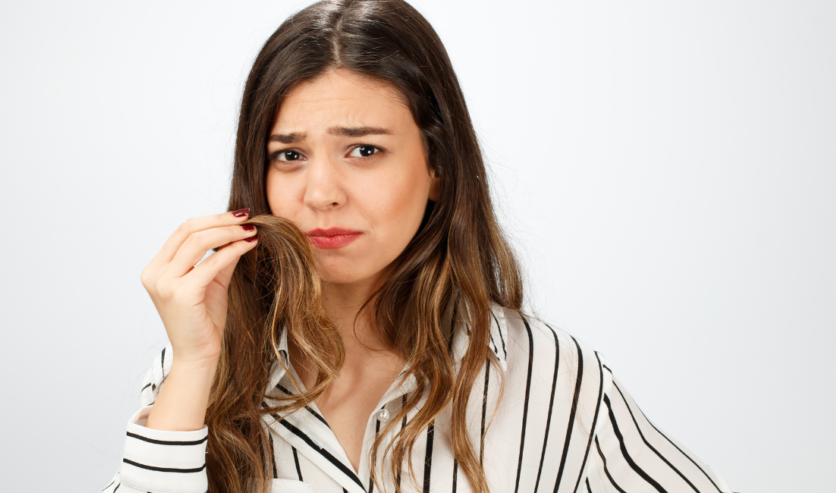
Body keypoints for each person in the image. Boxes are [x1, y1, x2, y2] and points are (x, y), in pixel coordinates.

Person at [102, 1, 734, 492]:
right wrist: (193, 365)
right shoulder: (201, 367)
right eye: (289, 155)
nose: (321, 192)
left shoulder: (544, 374)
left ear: (436, 166)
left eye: (364, 150)